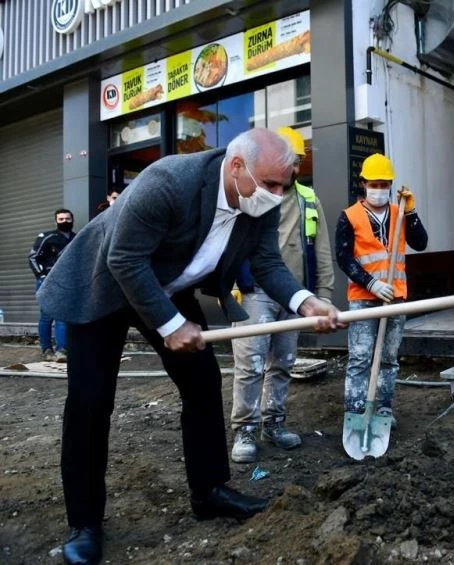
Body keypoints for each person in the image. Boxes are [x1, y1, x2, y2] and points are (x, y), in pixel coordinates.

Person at [36, 128, 344, 565]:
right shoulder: (167, 181)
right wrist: (170, 323)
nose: (277, 195)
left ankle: (210, 490)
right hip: (101, 288)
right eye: (271, 184)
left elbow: (267, 262)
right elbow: (123, 259)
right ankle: (84, 523)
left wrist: (306, 301)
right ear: (236, 167)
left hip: (165, 283)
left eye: (284, 185)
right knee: (90, 402)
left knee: (202, 382)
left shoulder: (262, 198)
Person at [230, 126, 335, 463]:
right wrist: (231, 287)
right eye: (289, 161)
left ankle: (274, 422)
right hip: (255, 292)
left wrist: (324, 295)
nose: (292, 169)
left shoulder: (308, 199)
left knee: (283, 364)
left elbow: (321, 250)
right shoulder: (251, 193)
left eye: (297, 162)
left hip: (296, 295)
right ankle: (245, 427)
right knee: (250, 364)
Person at [334, 153, 428, 426]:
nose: (379, 189)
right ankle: (355, 411)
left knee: (388, 358)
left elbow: (421, 243)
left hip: (395, 297)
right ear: (363, 184)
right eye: (373, 184)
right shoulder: (349, 216)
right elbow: (344, 258)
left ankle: (384, 408)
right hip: (364, 299)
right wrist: (371, 283)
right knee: (360, 358)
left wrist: (411, 212)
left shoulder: (399, 213)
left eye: (384, 184)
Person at [27, 209, 76, 362]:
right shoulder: (47, 237)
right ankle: (46, 349)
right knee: (47, 316)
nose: (65, 221)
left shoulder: (77, 238)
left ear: (72, 220)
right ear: (55, 221)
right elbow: (33, 257)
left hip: (68, 282)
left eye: (67, 218)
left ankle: (62, 350)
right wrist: (41, 276)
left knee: (63, 316)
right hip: (48, 281)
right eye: (61, 219)